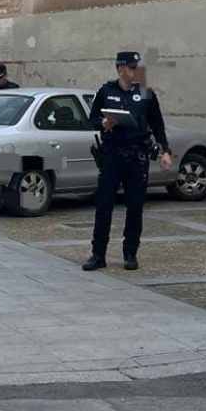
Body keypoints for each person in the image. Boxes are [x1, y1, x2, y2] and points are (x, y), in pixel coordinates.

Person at [82, 51, 173, 272]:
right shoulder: (106, 91)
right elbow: (91, 120)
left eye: (138, 68)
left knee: (135, 207)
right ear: (120, 68)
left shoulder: (145, 93)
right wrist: (104, 122)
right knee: (104, 206)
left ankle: (130, 253)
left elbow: (158, 125)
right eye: (132, 67)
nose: (136, 72)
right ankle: (98, 254)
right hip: (112, 154)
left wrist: (165, 151)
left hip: (137, 156)